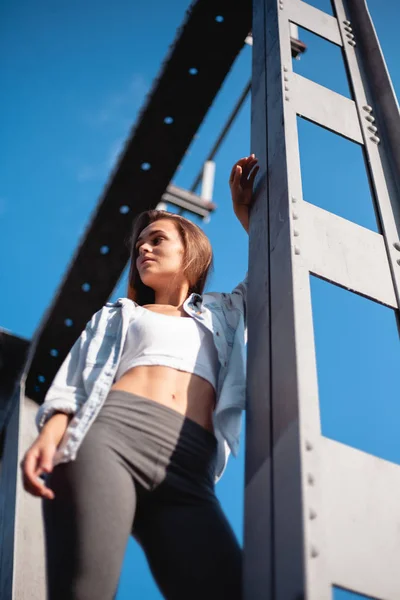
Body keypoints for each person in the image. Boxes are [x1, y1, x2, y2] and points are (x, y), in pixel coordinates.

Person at [21, 154, 259, 600]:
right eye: (139, 246)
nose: (143, 249)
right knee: (84, 591)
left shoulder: (224, 313)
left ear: (191, 251)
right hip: (110, 439)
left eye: (157, 240)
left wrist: (245, 216)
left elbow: (269, 271)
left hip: (190, 467)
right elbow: (79, 376)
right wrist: (49, 435)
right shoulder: (122, 312)